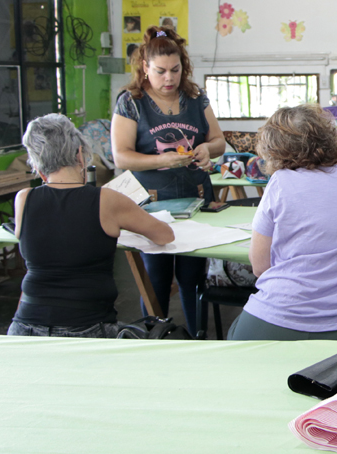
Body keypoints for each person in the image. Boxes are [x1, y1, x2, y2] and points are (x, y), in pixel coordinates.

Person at [228, 104, 337, 341]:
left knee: (234, 342)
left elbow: (260, 267)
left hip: (284, 314)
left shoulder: (281, 183)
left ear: (273, 151)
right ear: (329, 136)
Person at [8, 114, 174, 338]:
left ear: (38, 165)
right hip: (87, 327)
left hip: (24, 327)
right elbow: (165, 235)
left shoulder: (23, 199)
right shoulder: (106, 199)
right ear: (79, 154)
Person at [111, 26, 226, 336]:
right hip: (152, 205)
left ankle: (197, 338)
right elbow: (121, 156)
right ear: (144, 68)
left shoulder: (195, 97)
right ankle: (154, 341)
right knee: (156, 280)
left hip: (196, 198)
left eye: (175, 70)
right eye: (160, 71)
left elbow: (219, 141)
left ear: (183, 66)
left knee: (193, 279)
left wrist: (207, 149)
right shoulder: (131, 102)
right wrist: (162, 160)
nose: (169, 78)